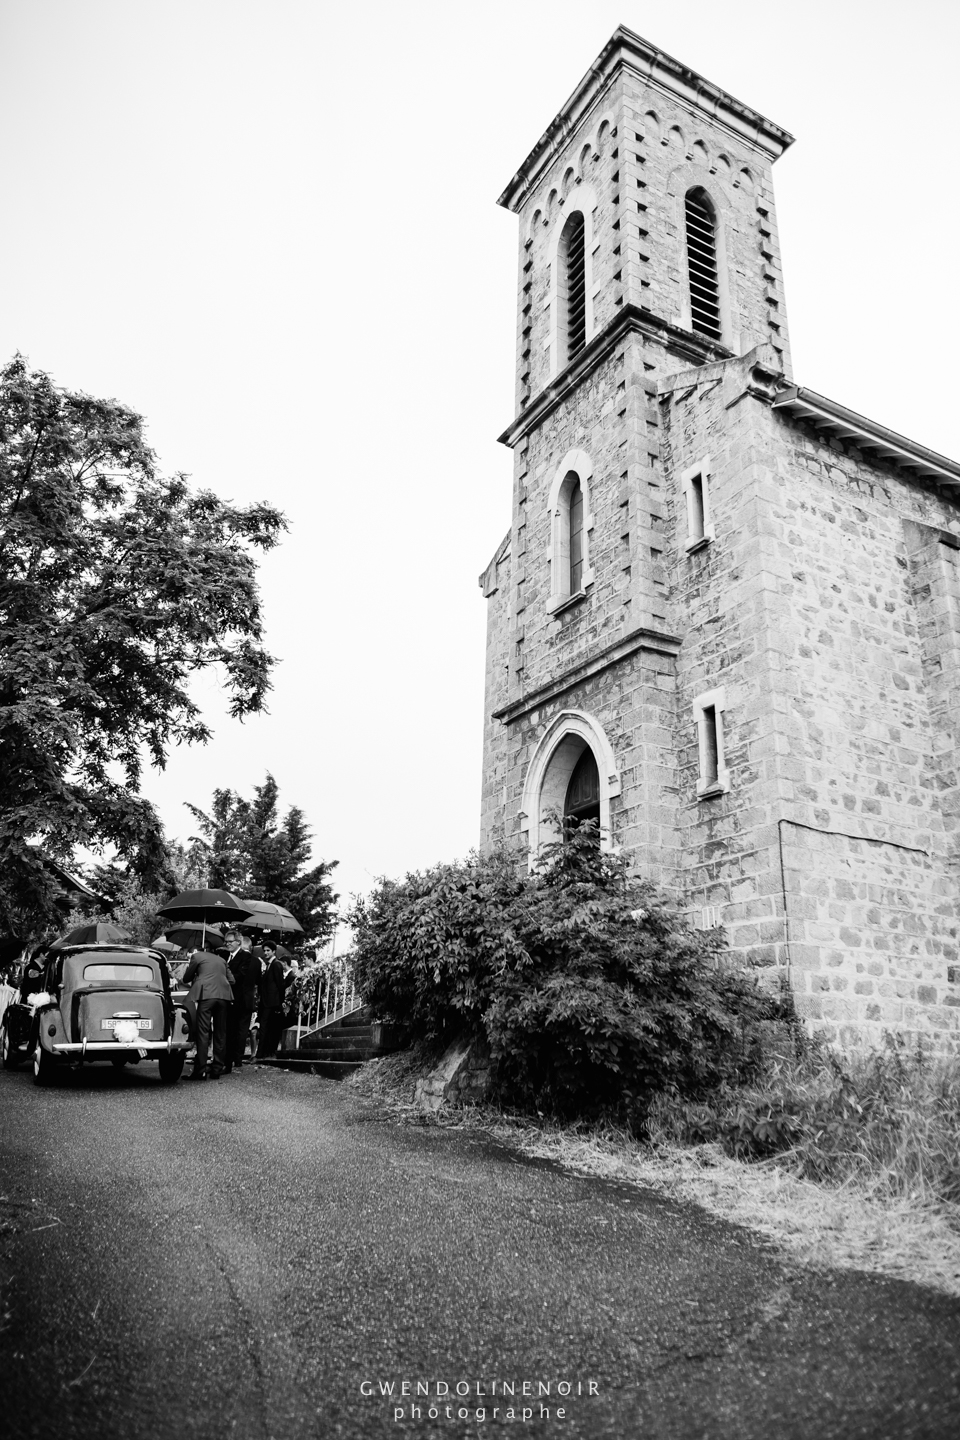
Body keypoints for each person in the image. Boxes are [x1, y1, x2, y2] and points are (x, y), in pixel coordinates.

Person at [181, 945, 234, 1080]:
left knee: (203, 1032)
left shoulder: (196, 957)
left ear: (195, 951)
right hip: (223, 996)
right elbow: (232, 980)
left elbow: (186, 978)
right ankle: (217, 1069)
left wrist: (197, 974)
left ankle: (201, 1070)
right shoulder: (222, 960)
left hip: (206, 995)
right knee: (220, 1033)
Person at [221, 929, 261, 1073]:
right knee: (236, 1030)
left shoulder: (246, 958)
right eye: (226, 942)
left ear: (239, 942)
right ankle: (234, 1058)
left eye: (230, 942)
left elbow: (239, 977)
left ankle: (233, 1059)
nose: (227, 944)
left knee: (238, 1031)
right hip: (236, 998)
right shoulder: (225, 956)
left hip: (241, 999)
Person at [256, 941, 288, 1060]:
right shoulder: (270, 965)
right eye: (264, 951)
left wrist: (280, 1002)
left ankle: (262, 1053)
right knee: (264, 1028)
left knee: (265, 1027)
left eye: (268, 950)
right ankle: (263, 1052)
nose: (265, 953)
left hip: (272, 1002)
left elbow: (280, 984)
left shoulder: (276, 964)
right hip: (267, 1001)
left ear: (274, 951)